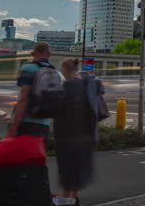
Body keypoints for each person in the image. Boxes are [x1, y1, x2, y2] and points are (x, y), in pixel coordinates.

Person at [53, 58, 105, 206]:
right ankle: (72, 200)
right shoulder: (89, 84)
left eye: (62, 71)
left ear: (66, 70)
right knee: (76, 175)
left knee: (67, 175)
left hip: (67, 138)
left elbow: (57, 111)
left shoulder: (66, 88)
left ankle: (67, 202)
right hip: (86, 137)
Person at [9, 42, 57, 137]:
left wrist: (14, 126)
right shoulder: (54, 71)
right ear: (48, 54)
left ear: (34, 53)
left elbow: (23, 100)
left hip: (27, 123)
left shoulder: (29, 68)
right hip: (45, 124)